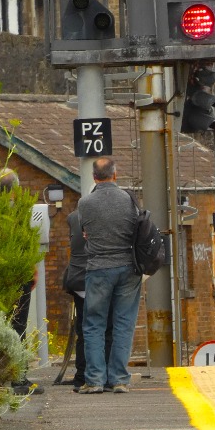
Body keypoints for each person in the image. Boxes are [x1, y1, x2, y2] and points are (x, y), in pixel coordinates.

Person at [76, 157, 141, 394]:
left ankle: (94, 380)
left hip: (98, 269)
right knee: (124, 323)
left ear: (94, 177)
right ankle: (120, 379)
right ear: (115, 175)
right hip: (128, 268)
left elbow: (85, 232)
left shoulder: (85, 203)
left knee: (94, 324)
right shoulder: (129, 200)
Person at [0, 168, 44, 396]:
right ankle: (18, 379)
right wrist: (33, 271)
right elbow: (27, 245)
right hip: (18, 275)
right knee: (18, 327)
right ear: (15, 189)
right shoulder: (20, 213)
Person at [62, 210, 111, 391]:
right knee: (105, 329)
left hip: (76, 279)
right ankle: (103, 376)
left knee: (83, 330)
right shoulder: (107, 216)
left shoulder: (72, 216)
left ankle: (81, 376)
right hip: (99, 278)